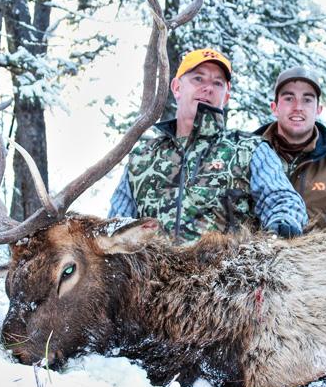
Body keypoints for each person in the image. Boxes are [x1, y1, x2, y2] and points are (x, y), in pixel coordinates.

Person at [109, 48, 308, 243]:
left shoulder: (249, 150)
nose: (208, 88)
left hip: (225, 273)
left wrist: (284, 223)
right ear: (177, 87)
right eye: (198, 79)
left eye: (218, 83)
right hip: (152, 274)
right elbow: (117, 225)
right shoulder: (143, 157)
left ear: (226, 96)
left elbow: (282, 199)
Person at [254, 66, 326, 237]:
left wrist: (311, 254)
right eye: (289, 98)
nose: (298, 107)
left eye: (307, 100)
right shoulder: (246, 154)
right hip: (256, 260)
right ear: (274, 107)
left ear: (318, 110)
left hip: (321, 261)